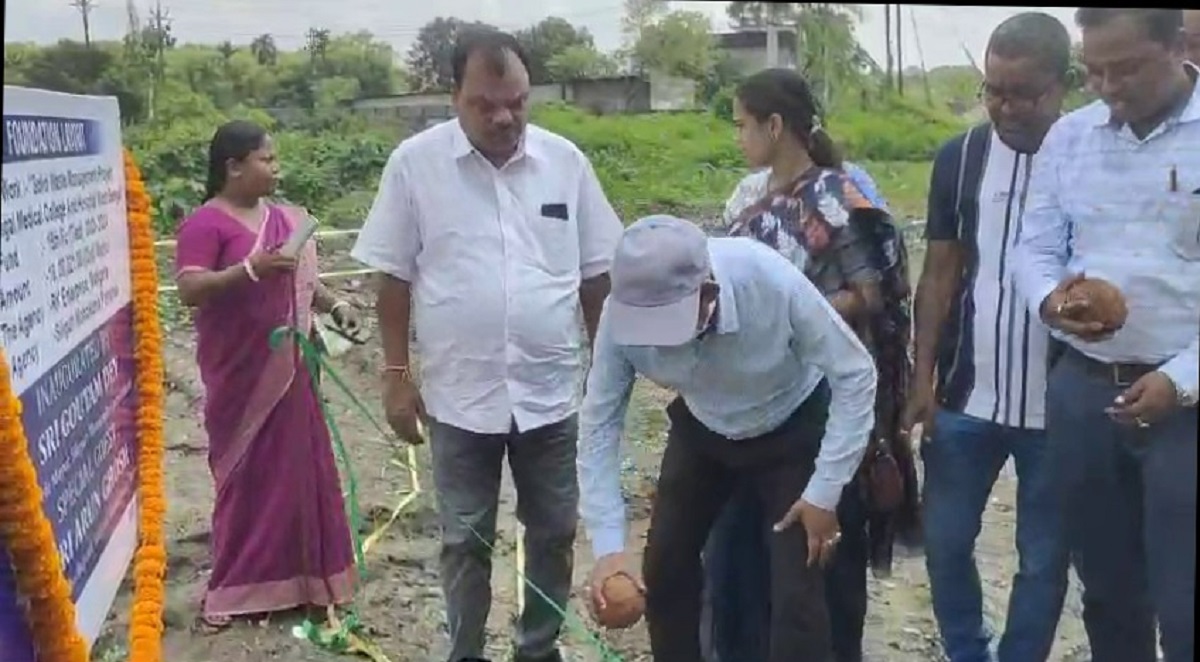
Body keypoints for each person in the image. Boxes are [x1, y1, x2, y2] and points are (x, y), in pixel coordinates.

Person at [349, 29, 623, 662]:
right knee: (464, 538)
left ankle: (537, 648)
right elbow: (392, 274)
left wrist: (609, 372)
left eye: (518, 102)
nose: (505, 117)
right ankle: (466, 651)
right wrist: (395, 372)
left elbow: (596, 276)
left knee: (554, 530)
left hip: (551, 391)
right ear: (454, 98)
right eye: (486, 104)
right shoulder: (415, 166)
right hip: (459, 394)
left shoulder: (566, 163)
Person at [580, 215, 879, 662]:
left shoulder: (768, 280)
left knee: (798, 585)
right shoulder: (620, 314)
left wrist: (824, 492)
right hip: (704, 429)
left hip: (791, 425)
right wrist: (607, 548)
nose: (661, 347)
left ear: (709, 294)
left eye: (670, 328)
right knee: (665, 567)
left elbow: (855, 374)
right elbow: (599, 422)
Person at [701, 67, 919, 662]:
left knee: (817, 567)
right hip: (756, 403)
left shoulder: (841, 197)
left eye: (743, 125)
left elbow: (875, 293)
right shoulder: (749, 200)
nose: (738, 138)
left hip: (825, 407)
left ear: (775, 126)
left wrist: (794, 312)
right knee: (742, 560)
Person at [1013, 8, 1199, 662]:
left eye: (1126, 69)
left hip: (1188, 409)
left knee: (1186, 603)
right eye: (1094, 71)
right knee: (1107, 593)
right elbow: (1033, 247)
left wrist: (1180, 380)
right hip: (1086, 395)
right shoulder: (1071, 137)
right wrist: (1051, 301)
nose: (1108, 86)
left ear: (1176, 46)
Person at [905, 13, 1075, 662]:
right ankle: (967, 652)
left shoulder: (1087, 160)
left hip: (1056, 410)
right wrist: (921, 378)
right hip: (963, 400)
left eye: (1022, 93)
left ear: (1063, 87)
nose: (1005, 107)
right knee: (945, 544)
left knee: (1043, 560)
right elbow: (940, 272)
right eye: (993, 90)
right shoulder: (962, 157)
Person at [174, 120, 361, 627]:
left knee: (301, 472)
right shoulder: (205, 225)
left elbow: (303, 280)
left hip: (292, 370)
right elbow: (191, 290)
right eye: (267, 160)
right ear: (233, 167)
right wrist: (250, 270)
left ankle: (309, 580)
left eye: (276, 160)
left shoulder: (283, 219)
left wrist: (335, 303)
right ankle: (236, 587)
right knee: (246, 477)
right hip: (240, 377)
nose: (276, 169)